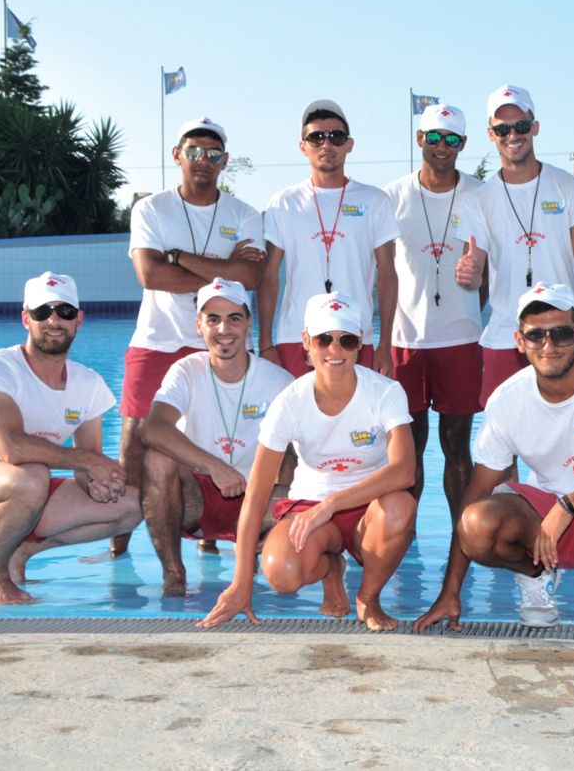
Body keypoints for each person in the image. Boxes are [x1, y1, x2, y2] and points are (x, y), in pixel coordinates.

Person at [414, 283, 574, 635]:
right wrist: (450, 591)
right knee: (475, 523)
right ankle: (536, 576)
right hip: (541, 530)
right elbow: (473, 499)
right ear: (520, 342)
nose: (548, 346)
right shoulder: (507, 400)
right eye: (536, 336)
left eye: (561, 333)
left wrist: (568, 505)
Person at [0, 272, 141, 604]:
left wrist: (98, 481)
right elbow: (12, 448)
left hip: (25, 497)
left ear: (79, 319)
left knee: (131, 505)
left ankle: (18, 553)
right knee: (31, 474)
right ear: (26, 318)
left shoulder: (88, 384)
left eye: (64, 311)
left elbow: (86, 464)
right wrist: (90, 462)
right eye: (42, 312)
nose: (54, 320)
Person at [199, 292, 417, 632]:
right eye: (323, 339)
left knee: (401, 507)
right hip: (309, 506)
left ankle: (369, 597)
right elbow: (257, 493)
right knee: (281, 574)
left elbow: (405, 471)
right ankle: (330, 568)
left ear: (360, 343)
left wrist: (331, 504)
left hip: (367, 510)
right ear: (305, 342)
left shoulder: (385, 392)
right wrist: (241, 581)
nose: (334, 350)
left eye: (346, 340)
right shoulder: (290, 401)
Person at [118, 116, 264, 554]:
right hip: (158, 339)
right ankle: (118, 541)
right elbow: (149, 275)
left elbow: (251, 276)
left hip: (221, 338)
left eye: (213, 154)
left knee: (222, 434)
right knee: (135, 441)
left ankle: (211, 535)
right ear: (177, 155)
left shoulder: (244, 213)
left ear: (225, 162)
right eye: (194, 151)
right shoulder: (151, 209)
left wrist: (178, 257)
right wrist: (223, 274)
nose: (203, 160)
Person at [141, 278, 295, 595]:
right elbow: (153, 427)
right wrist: (215, 467)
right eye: (214, 319)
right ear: (199, 325)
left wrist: (282, 504)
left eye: (234, 318)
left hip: (260, 501)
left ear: (248, 323)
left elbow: (300, 454)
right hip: (199, 501)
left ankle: (259, 546)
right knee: (157, 461)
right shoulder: (186, 371)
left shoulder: (277, 381)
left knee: (311, 496)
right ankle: (174, 575)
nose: (224, 329)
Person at [383, 104, 488, 516]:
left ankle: (462, 537)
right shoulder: (391, 197)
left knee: (457, 444)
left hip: (461, 339)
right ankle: (401, 537)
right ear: (419, 139)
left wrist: (476, 288)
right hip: (405, 340)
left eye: (451, 140)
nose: (441, 147)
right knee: (410, 447)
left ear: (462, 144)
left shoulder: (481, 194)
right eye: (434, 137)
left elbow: (492, 269)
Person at [467, 85, 574, 406]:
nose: (512, 134)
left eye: (521, 126)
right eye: (502, 128)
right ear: (491, 134)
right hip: (504, 335)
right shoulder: (480, 199)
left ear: (534, 127)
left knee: (570, 434)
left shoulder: (569, 187)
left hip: (561, 335)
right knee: (501, 445)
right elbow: (474, 275)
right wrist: (469, 274)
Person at [258, 99, 400, 378]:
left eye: (336, 137)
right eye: (316, 137)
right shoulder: (284, 202)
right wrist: (264, 343)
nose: (327, 144)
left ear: (349, 145)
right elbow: (269, 277)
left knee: (357, 422)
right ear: (303, 146)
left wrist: (385, 344)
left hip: (355, 336)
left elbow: (388, 276)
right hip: (296, 336)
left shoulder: (375, 201)